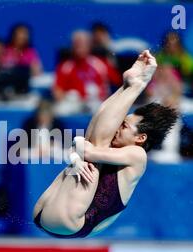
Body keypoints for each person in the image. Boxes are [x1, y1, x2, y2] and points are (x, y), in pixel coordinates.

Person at [33, 50, 178, 238]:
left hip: (73, 222)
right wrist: (76, 155)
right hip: (48, 212)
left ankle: (136, 85)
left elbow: (87, 149)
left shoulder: (137, 155)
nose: (117, 127)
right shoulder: (114, 148)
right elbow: (82, 146)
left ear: (140, 138)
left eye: (124, 126)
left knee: (96, 144)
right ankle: (129, 85)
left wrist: (77, 152)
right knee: (94, 144)